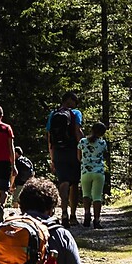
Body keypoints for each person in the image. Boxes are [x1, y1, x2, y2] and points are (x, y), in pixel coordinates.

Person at [45, 93, 84, 227]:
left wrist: (52, 157)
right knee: (74, 183)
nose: (76, 104)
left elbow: (50, 137)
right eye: (75, 101)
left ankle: (64, 213)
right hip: (73, 151)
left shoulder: (53, 114)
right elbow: (77, 131)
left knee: (63, 181)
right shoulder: (75, 113)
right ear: (69, 100)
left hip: (58, 151)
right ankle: (73, 215)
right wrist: (83, 151)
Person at [78, 121, 110, 228]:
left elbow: (79, 157)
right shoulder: (103, 143)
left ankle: (87, 214)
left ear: (91, 129)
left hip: (85, 172)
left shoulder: (82, 142)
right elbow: (104, 155)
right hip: (99, 172)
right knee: (97, 196)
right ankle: (97, 220)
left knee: (86, 194)